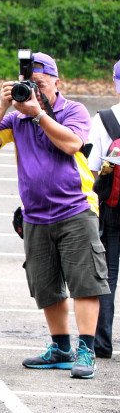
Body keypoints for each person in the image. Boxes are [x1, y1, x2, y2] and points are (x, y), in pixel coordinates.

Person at [0, 52, 109, 379]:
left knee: (85, 284)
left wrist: (39, 115)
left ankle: (86, 350)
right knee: (46, 286)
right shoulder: (17, 115)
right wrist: (3, 105)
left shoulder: (72, 110)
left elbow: (72, 143)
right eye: (29, 85)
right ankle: (61, 347)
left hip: (75, 210)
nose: (34, 90)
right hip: (35, 215)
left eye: (41, 84)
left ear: (56, 83)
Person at [84, 58, 120, 360]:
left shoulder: (105, 119)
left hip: (112, 208)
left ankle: (102, 342)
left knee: (106, 276)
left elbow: (91, 169)